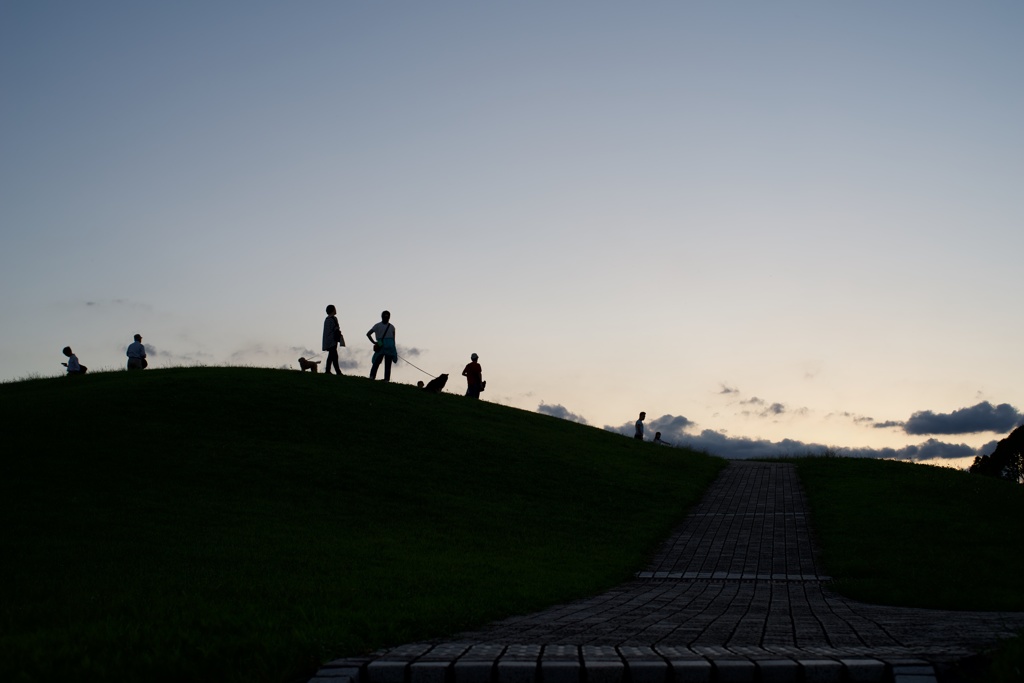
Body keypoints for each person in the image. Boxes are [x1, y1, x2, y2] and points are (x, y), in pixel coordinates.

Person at [366, 310, 397, 381]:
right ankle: (386, 380)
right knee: (388, 364)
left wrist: (374, 342)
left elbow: (368, 334)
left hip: (380, 344)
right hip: (390, 347)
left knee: (376, 362)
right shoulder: (392, 327)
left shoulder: (377, 326)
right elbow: (393, 340)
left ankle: (372, 377)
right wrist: (394, 350)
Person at [322, 305, 344, 375]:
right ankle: (330, 371)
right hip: (333, 340)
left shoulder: (326, 319)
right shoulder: (334, 319)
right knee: (333, 356)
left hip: (327, 340)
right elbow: (336, 329)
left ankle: (336, 371)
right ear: (333, 310)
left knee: (333, 356)